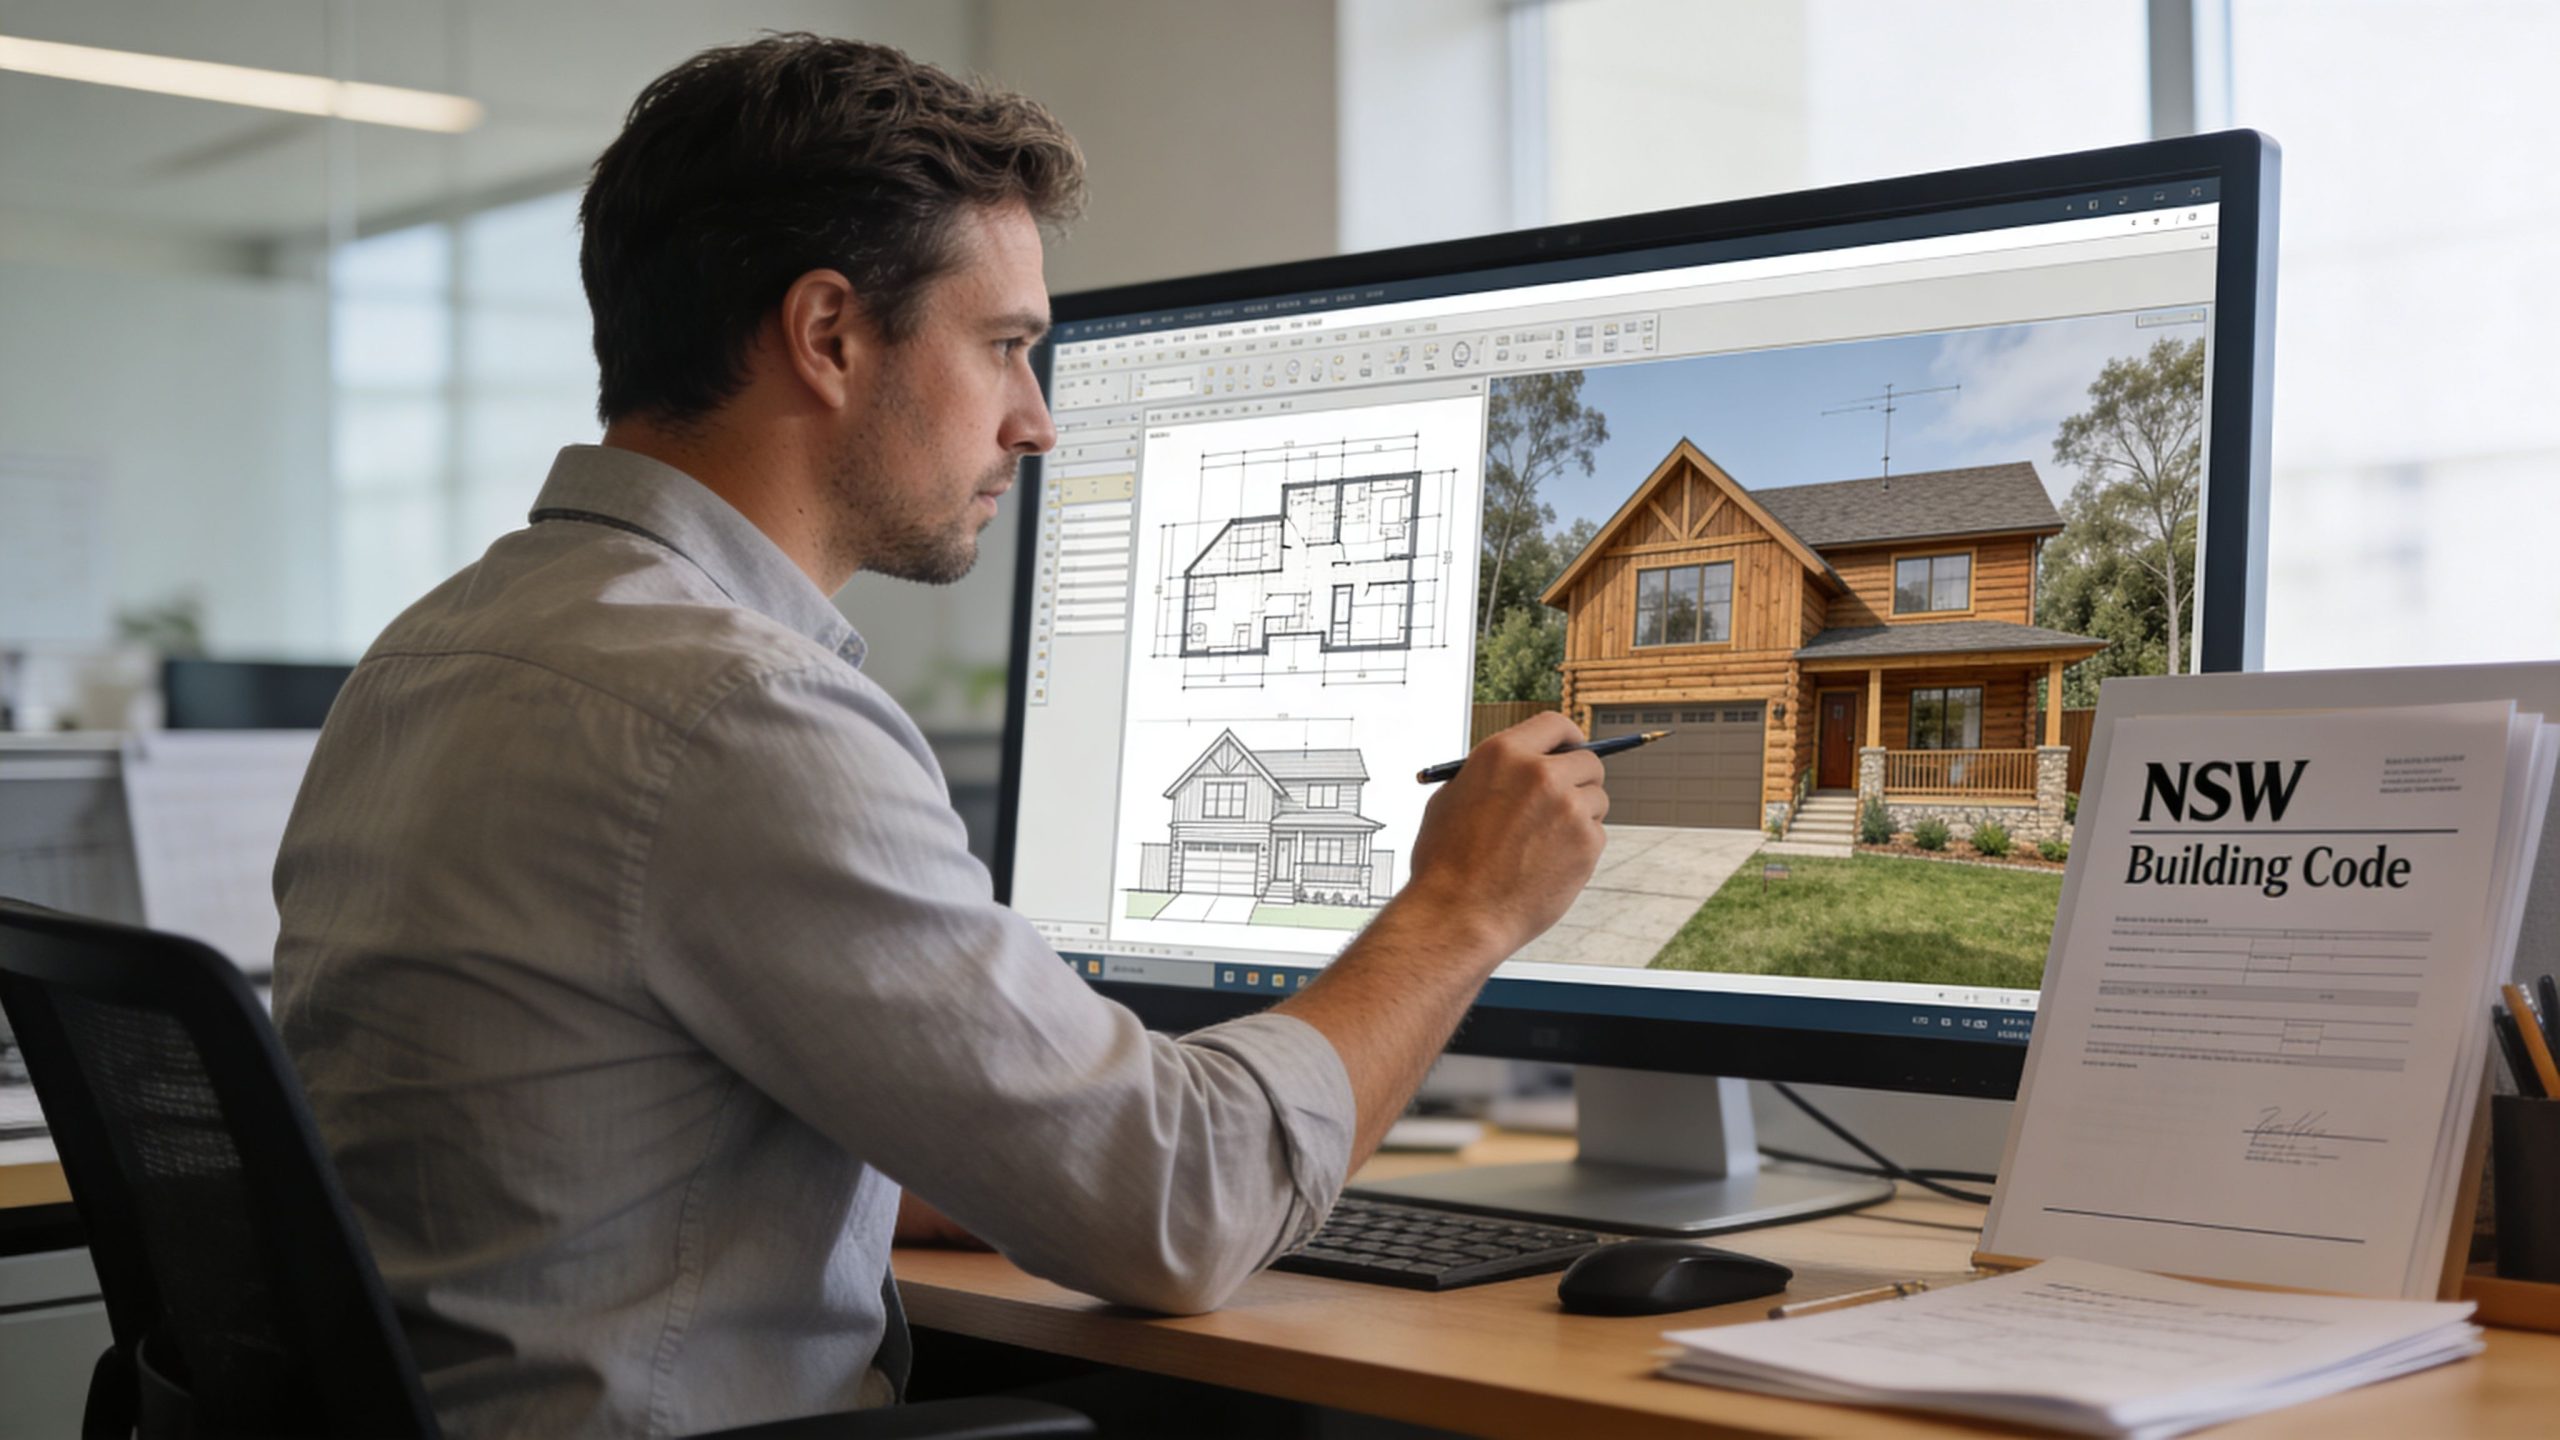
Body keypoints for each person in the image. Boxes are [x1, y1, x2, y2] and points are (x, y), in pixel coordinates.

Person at [273, 32, 1607, 1439]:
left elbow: (569, 1146)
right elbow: (1182, 1209)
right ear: (830, 334)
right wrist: (1459, 906)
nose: (1036, 423)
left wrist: (981, 1157)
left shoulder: (432, 653)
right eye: (1007, 348)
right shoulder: (729, 710)